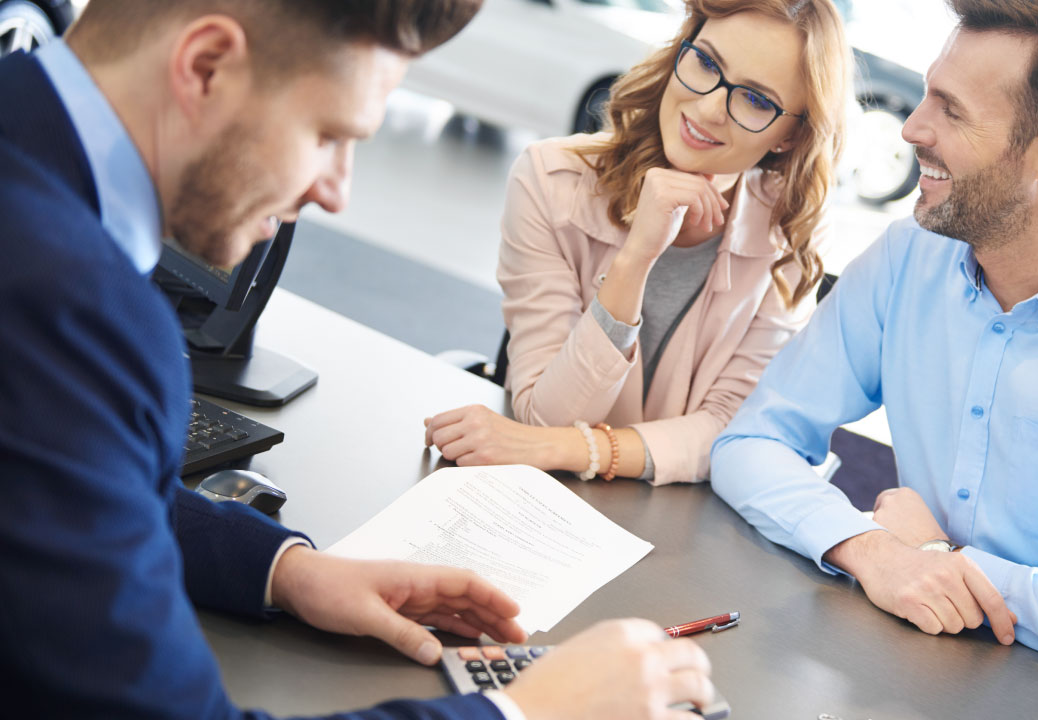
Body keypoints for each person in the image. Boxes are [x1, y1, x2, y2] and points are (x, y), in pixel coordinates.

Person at [0, 2, 716, 718]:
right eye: (327, 135)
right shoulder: (76, 310)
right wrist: (528, 713)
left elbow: (61, 494)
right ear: (205, 67)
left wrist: (283, 570)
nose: (335, 192)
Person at [710, 0, 1038, 710]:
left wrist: (946, 564)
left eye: (951, 111)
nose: (912, 127)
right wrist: (870, 550)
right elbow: (750, 442)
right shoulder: (910, 257)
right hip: (894, 671)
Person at [423, 0, 848, 486]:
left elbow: (736, 431)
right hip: (540, 500)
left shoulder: (790, 233)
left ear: (789, 136)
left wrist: (579, 449)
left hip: (677, 525)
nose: (709, 108)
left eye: (755, 99)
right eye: (706, 63)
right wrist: (635, 259)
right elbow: (545, 417)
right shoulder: (550, 180)